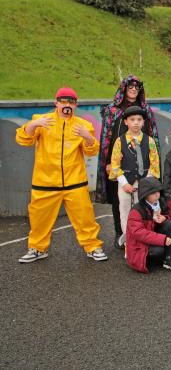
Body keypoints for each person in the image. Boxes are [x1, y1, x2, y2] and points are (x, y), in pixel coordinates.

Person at [16, 87, 107, 263]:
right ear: (56, 103)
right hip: (45, 182)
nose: (67, 105)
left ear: (76, 105)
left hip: (75, 182)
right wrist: (33, 125)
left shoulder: (83, 125)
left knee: (85, 217)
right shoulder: (41, 120)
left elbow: (92, 151)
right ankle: (37, 248)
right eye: (63, 101)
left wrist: (87, 136)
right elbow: (23, 140)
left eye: (71, 102)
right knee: (39, 219)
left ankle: (93, 246)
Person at [97, 75, 159, 249]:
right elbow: (106, 137)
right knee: (120, 201)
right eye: (130, 87)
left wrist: (153, 168)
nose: (133, 90)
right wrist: (108, 162)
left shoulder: (145, 109)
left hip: (144, 163)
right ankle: (121, 232)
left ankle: (145, 233)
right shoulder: (113, 110)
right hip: (119, 163)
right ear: (123, 88)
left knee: (143, 199)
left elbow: (152, 135)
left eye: (136, 87)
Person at [108, 105, 160, 248]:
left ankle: (145, 238)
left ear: (143, 122)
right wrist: (124, 183)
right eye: (132, 119)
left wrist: (146, 182)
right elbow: (115, 164)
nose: (136, 122)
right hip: (125, 182)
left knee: (144, 210)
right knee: (124, 211)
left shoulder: (149, 141)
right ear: (126, 122)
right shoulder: (120, 141)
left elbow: (155, 163)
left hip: (144, 184)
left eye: (139, 119)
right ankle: (129, 241)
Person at [125, 177, 171, 273]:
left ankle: (168, 257)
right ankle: (151, 259)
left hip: (152, 237)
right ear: (145, 195)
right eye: (153, 193)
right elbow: (138, 233)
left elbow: (168, 217)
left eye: (158, 191)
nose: (157, 195)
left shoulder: (161, 203)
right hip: (140, 245)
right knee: (158, 250)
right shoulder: (136, 211)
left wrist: (165, 217)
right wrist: (162, 239)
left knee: (170, 225)